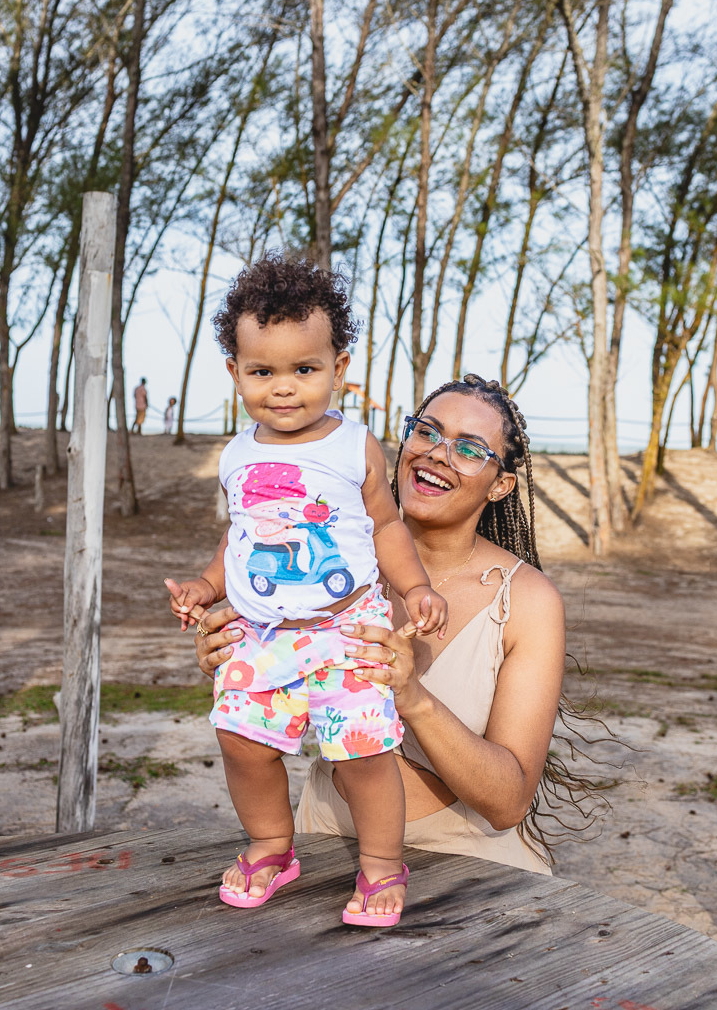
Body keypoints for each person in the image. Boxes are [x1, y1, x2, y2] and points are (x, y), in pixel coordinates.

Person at [194, 373, 579, 883]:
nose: (437, 454)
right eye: (427, 432)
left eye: (468, 449)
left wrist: (411, 695)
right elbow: (269, 706)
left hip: (470, 862)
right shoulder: (323, 563)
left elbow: (507, 802)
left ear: (501, 485)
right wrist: (233, 655)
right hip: (325, 836)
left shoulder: (528, 601)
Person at [164, 255, 447, 928]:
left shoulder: (355, 447)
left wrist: (415, 586)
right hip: (261, 634)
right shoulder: (235, 455)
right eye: (262, 372)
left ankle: (381, 864)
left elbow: (385, 526)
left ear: (338, 368)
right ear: (235, 372)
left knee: (365, 753)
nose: (283, 388)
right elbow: (239, 538)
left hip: (345, 629)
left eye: (304, 369)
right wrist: (205, 586)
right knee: (241, 740)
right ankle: (271, 845)